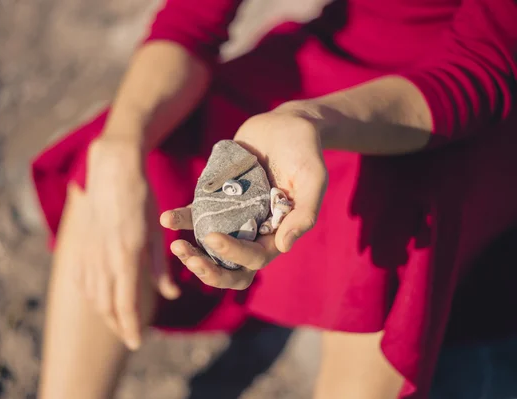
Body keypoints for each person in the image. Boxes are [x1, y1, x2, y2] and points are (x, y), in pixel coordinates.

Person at [30, 0, 517, 397]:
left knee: (387, 232)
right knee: (123, 165)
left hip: (439, 107)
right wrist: (122, 143)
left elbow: (485, 65)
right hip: (334, 57)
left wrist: (314, 120)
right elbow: (191, 21)